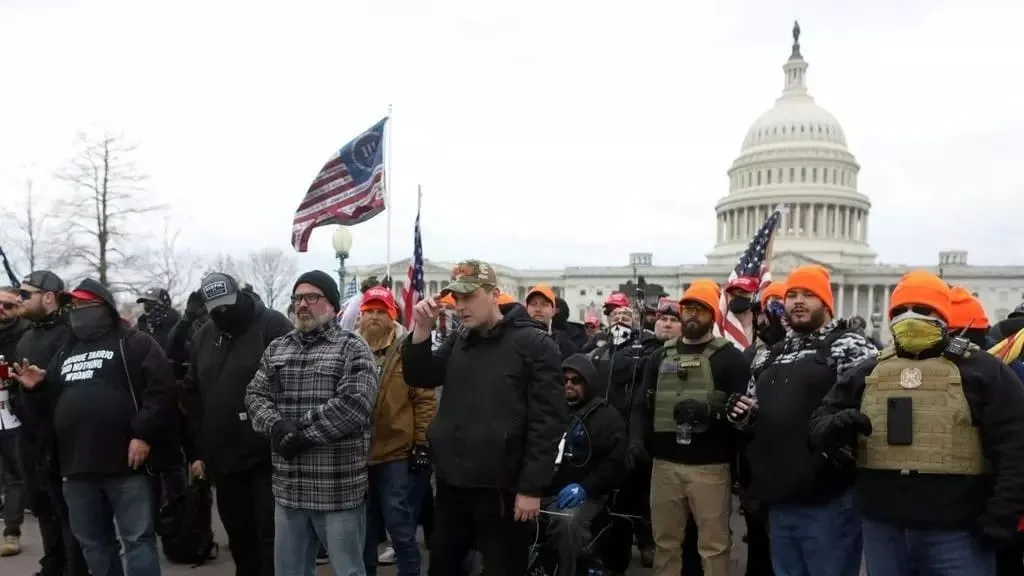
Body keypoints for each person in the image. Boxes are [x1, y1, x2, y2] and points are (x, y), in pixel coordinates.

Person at [809, 271, 1024, 575]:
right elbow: (819, 423)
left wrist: (1002, 516)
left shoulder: (983, 370)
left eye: (922, 309)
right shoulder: (869, 369)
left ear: (943, 316)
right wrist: (836, 426)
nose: (909, 317)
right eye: (899, 311)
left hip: (958, 531)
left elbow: (1015, 443)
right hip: (883, 527)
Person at [402, 259, 566, 576]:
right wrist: (421, 330)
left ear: (494, 294)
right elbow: (422, 375)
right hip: (453, 484)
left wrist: (531, 488)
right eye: (456, 298)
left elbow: (548, 423)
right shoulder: (461, 339)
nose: (459, 306)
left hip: (502, 490)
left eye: (469, 296)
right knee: (443, 566)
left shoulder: (532, 344)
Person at [13, 278, 179, 576]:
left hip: (126, 466)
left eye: (83, 304)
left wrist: (143, 434)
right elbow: (50, 407)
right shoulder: (66, 350)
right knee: (93, 544)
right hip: (76, 468)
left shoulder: (132, 342)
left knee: (137, 541)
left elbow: (161, 390)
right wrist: (37, 388)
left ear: (102, 307)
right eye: (72, 305)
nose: (76, 310)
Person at [728, 265, 877, 576]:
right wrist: (741, 414)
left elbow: (870, 410)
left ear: (826, 302)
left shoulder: (850, 346)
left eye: (809, 294)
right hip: (779, 493)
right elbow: (755, 409)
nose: (798, 301)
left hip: (828, 496)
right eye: (792, 294)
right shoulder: (770, 354)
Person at [245, 270, 378, 576]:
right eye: (297, 298)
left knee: (348, 571)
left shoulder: (353, 348)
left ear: (331, 304)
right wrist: (277, 427)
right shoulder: (278, 349)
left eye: (311, 297)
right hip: (289, 490)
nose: (302, 304)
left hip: (337, 489)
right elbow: (254, 395)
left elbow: (354, 404)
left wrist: (301, 435)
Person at [636, 280, 751, 576]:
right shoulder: (660, 356)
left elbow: (745, 416)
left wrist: (712, 411)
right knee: (666, 544)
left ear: (713, 314)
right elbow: (642, 404)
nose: (691, 315)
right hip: (664, 466)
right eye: (687, 308)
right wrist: (636, 440)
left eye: (700, 309)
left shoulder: (732, 359)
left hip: (710, 468)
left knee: (713, 547)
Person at [183, 272, 291, 576]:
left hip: (267, 456)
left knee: (271, 537)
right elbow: (192, 392)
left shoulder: (272, 325)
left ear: (240, 295)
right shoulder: (205, 335)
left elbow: (293, 384)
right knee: (240, 538)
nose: (223, 313)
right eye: (215, 307)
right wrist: (197, 450)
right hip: (223, 457)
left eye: (227, 304)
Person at [356, 286, 436, 576]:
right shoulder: (350, 348)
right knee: (363, 528)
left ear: (393, 316)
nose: (375, 317)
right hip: (358, 454)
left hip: (397, 454)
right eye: (370, 311)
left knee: (400, 525)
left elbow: (425, 400)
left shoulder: (408, 350)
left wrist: (422, 444)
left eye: (381, 311)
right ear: (361, 316)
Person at [13, 270, 89, 576]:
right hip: (29, 437)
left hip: (62, 438)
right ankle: (53, 564)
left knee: (68, 510)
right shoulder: (26, 337)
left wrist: (43, 387)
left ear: (48, 298)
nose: (19, 299)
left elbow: (78, 388)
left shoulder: (72, 334)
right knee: (41, 505)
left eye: (24, 294)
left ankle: (75, 569)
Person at [542, 354, 626, 576]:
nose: (569, 385)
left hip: (586, 492)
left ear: (589, 383)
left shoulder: (607, 417)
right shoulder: (547, 409)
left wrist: (586, 487)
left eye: (576, 380)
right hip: (542, 488)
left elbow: (615, 464)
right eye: (564, 380)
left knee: (567, 522)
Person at [0, 286, 29, 557]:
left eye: (8, 306)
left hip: (14, 413)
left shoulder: (27, 335)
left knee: (14, 475)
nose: (1, 310)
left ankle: (11, 531)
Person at [525, 285, 579, 359]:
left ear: (554, 311)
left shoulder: (565, 344)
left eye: (544, 304)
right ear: (526, 309)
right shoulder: (513, 338)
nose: (538, 309)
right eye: (533, 304)